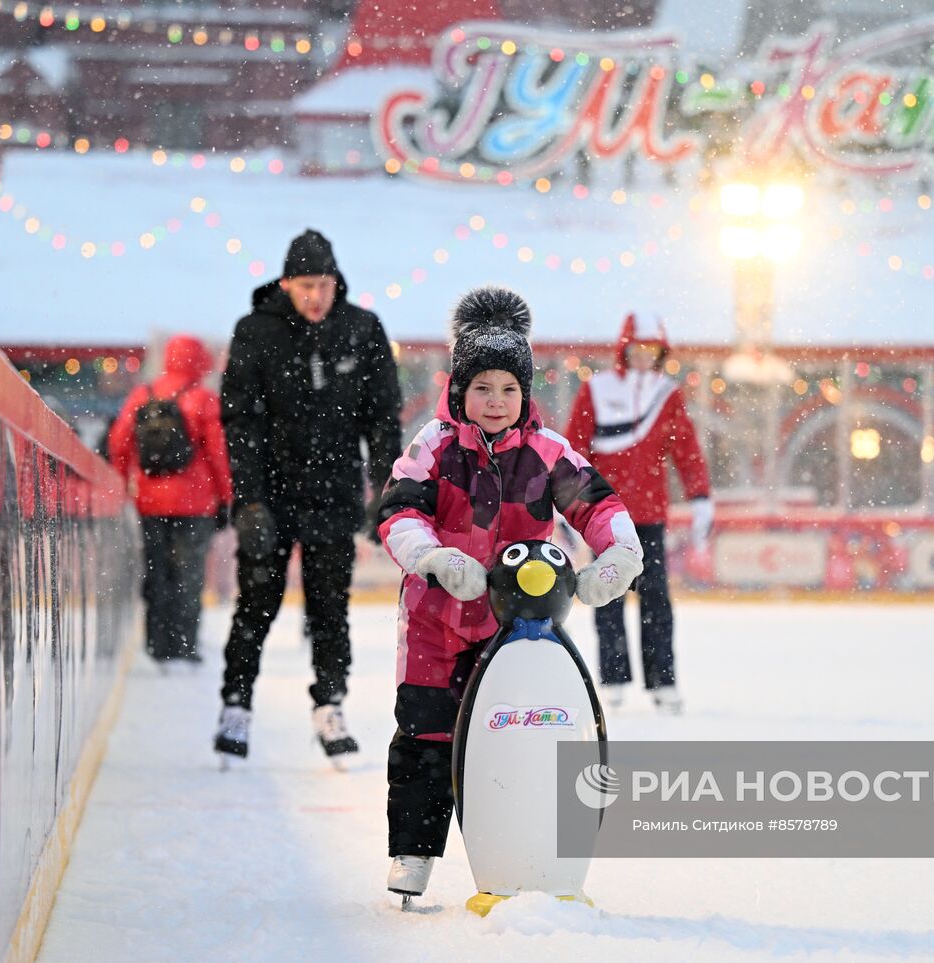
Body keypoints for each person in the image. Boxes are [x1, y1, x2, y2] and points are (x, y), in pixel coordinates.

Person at [375, 286, 643, 900]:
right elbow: (398, 512)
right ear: (460, 391)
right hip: (435, 623)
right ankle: (414, 852)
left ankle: (517, 848)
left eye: (508, 389)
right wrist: (435, 557)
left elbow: (598, 503)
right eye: (482, 388)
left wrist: (620, 554)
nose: (495, 403)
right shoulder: (434, 447)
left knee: (517, 736)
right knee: (426, 733)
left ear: (525, 395)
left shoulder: (548, 453)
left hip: (517, 629)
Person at [214, 229, 402, 762]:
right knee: (257, 605)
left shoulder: (362, 330)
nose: (315, 297)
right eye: (305, 286)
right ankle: (237, 702)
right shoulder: (256, 332)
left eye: (323, 285)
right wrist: (248, 500)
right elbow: (239, 421)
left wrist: (384, 489)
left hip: (335, 492)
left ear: (335, 282)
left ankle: (329, 704)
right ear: (285, 284)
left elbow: (382, 418)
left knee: (329, 608)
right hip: (271, 493)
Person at [564, 312, 713, 715]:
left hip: (648, 516)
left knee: (656, 599)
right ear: (624, 348)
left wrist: (700, 495)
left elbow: (686, 448)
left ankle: (663, 682)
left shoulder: (668, 393)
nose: (645, 357)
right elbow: (575, 449)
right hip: (604, 517)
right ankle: (612, 679)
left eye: (652, 350)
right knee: (607, 596)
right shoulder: (596, 388)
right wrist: (567, 502)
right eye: (637, 349)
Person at [108, 334, 232, 667]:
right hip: (196, 504)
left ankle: (156, 643)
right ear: (200, 361)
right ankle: (183, 643)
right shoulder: (204, 399)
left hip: (150, 502)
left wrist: (121, 483)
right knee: (189, 576)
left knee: (157, 572)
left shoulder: (142, 394)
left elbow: (119, 441)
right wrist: (227, 497)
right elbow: (220, 454)